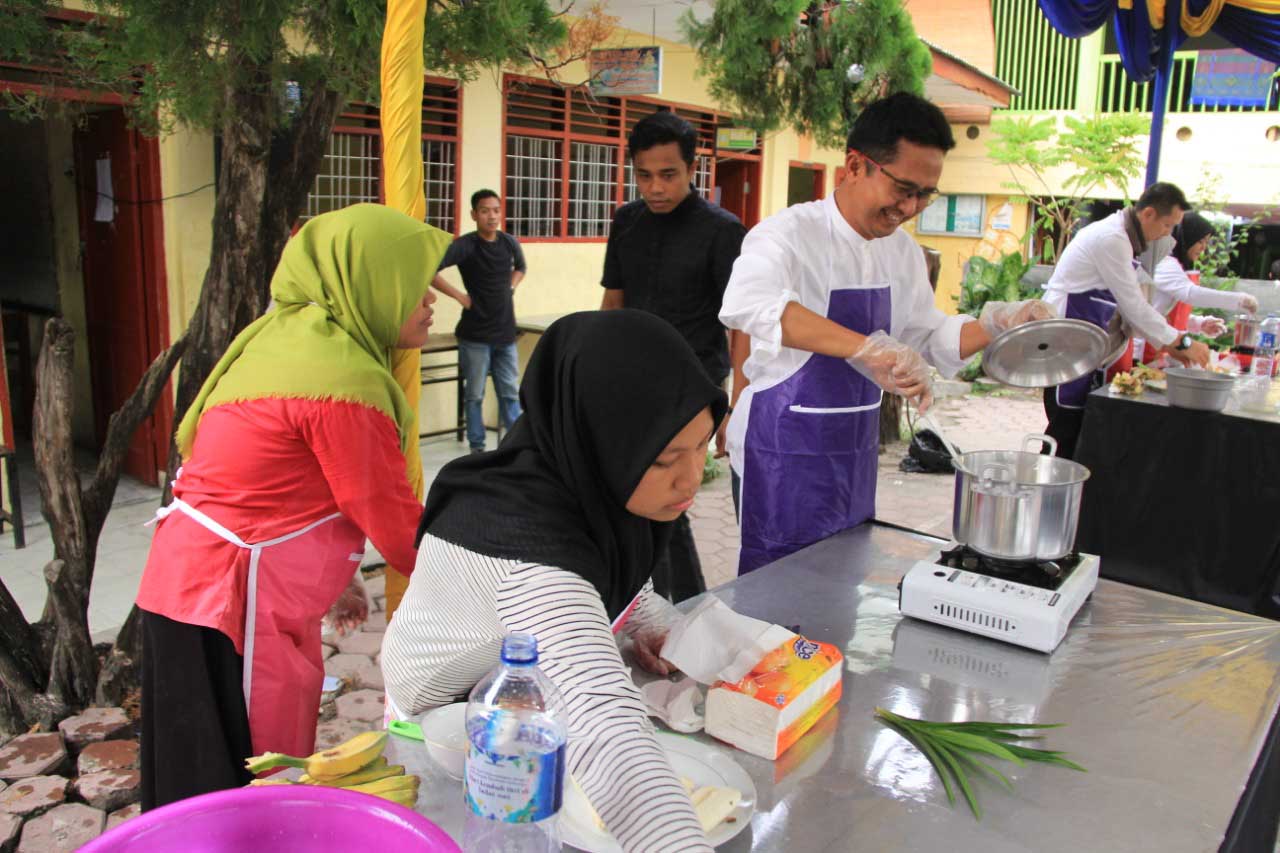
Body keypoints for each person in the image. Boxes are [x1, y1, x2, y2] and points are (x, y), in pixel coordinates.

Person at [135, 205, 448, 809]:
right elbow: (399, 526)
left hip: (193, 591)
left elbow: (279, 485)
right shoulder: (341, 380)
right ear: (368, 283)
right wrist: (500, 588)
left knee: (197, 779)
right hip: (226, 606)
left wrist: (339, 576)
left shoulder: (283, 342)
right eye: (415, 281)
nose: (433, 298)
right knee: (244, 789)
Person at [382, 310, 726, 853]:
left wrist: (648, 619)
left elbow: (610, 577)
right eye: (664, 459)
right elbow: (607, 732)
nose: (691, 478)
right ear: (598, 440)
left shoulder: (580, 475)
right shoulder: (529, 553)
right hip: (441, 721)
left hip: (516, 685)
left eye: (703, 445)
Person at [719, 91, 1050, 575]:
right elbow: (748, 304)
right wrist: (866, 348)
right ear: (855, 166)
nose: (911, 206)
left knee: (841, 586)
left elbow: (929, 336)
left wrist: (998, 324)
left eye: (925, 194)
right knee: (778, 600)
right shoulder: (787, 235)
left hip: (853, 453)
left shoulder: (902, 254)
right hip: (781, 452)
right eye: (903, 187)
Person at [600, 110, 747, 601]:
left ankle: (672, 604)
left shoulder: (722, 231)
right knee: (645, 500)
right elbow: (612, 304)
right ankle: (668, 603)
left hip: (693, 390)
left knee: (660, 496)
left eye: (668, 175)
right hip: (631, 382)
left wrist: (737, 404)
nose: (656, 187)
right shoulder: (626, 222)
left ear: (691, 169)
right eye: (644, 175)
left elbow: (741, 324)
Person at [1042, 183, 1211, 459]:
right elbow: (1134, 306)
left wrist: (1177, 339)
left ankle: (1066, 497)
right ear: (1148, 214)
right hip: (1066, 344)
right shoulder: (1112, 239)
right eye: (1167, 226)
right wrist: (1182, 342)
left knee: (1075, 436)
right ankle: (1048, 497)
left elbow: (1138, 305)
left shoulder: (1124, 239)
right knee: (1064, 435)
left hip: (1086, 347)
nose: (1168, 234)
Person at [431, 189, 527, 454]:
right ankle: (477, 447)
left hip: (505, 334)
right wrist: (460, 297)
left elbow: (521, 267)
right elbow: (431, 271)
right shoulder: (466, 245)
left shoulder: (509, 243)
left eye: (496, 210)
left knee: (509, 393)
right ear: (474, 214)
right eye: (485, 211)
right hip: (474, 335)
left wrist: (512, 285)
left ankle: (518, 448)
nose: (492, 216)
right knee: (474, 395)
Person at [1137, 211, 1258, 361]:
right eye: (1200, 241)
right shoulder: (1165, 263)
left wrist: (1199, 324)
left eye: (1207, 242)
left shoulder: (1179, 266)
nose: (1203, 248)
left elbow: (1164, 312)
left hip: (1160, 348)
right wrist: (1240, 300)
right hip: (1143, 350)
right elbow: (1191, 294)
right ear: (1187, 237)